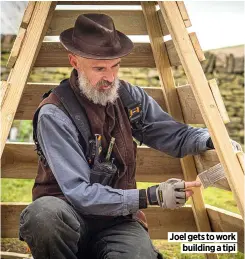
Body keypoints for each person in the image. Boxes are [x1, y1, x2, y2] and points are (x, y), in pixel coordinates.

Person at [19, 13, 234, 259]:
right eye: (99, 68)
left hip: (118, 221)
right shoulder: (54, 114)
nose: (110, 77)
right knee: (44, 216)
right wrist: (151, 195)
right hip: (67, 216)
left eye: (115, 65)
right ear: (74, 62)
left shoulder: (129, 98)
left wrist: (213, 141)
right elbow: (80, 193)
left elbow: (174, 135)